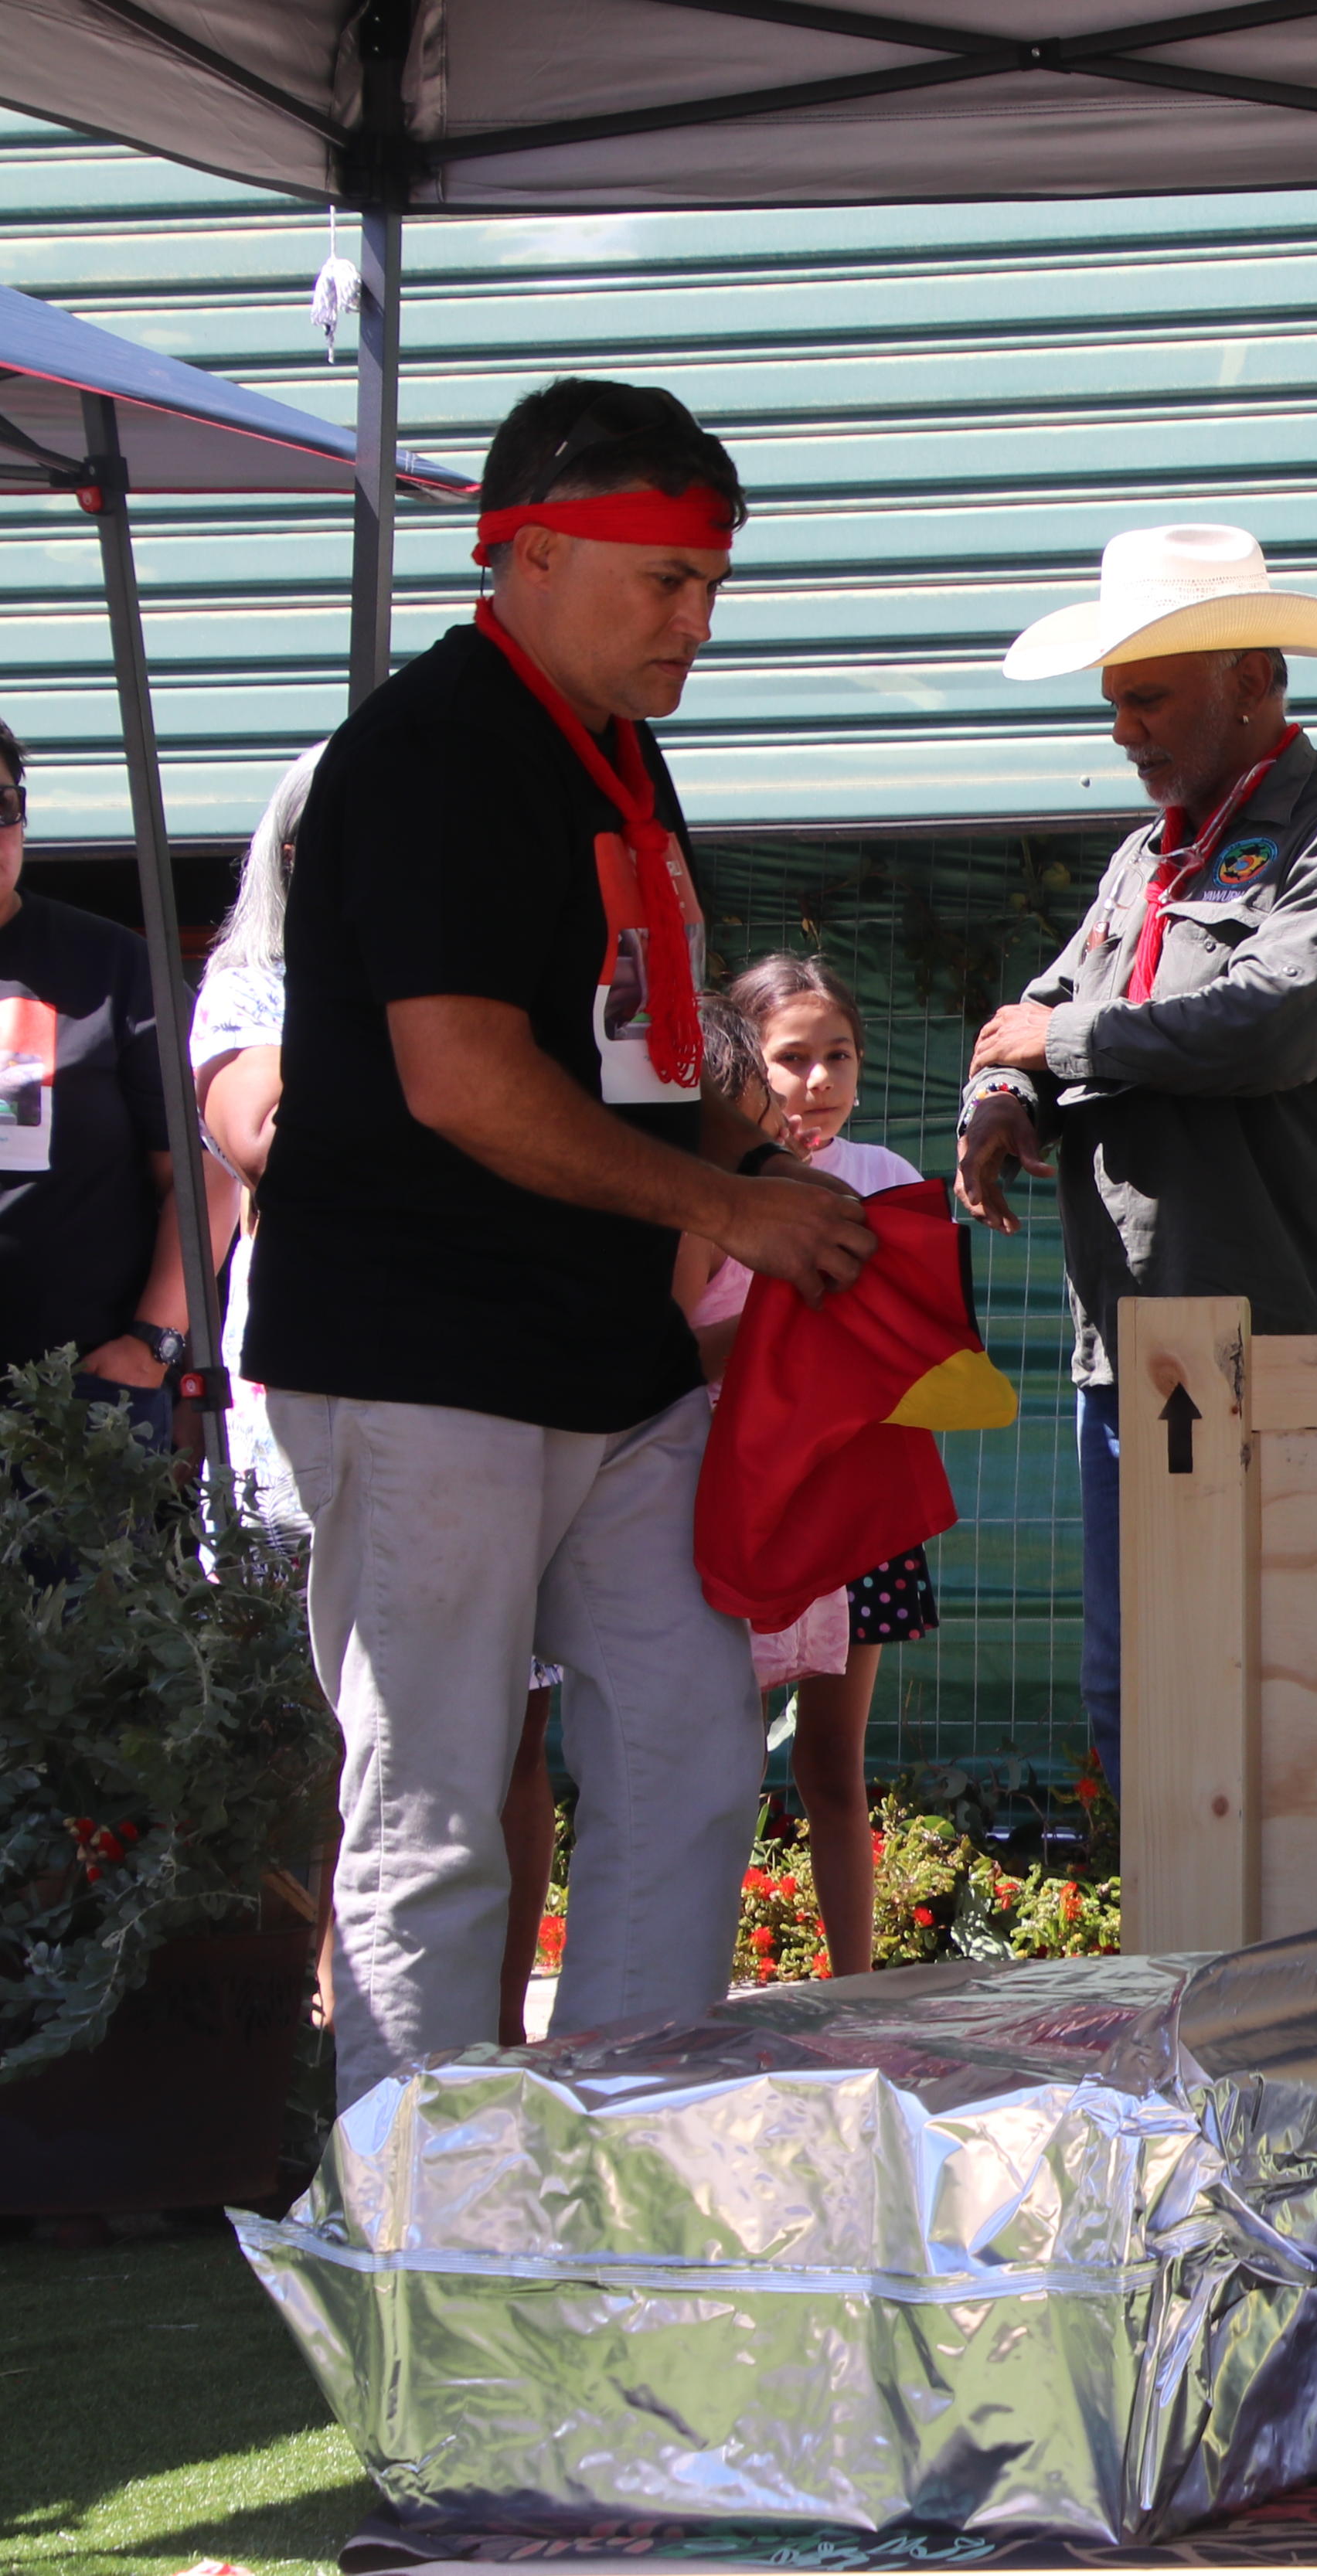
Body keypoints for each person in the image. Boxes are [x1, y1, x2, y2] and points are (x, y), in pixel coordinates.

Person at [246, 376, 883, 2106]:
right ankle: (415, 2207)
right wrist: (727, 1198)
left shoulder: (615, 744)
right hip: (421, 1352)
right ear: (523, 552)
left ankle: (625, 2152)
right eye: (663, 579)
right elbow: (462, 1079)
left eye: (711, 584)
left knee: (685, 1751)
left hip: (602, 1353)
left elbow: (630, 1038)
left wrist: (767, 1143)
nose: (696, 619)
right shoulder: (435, 748)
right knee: (438, 1798)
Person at [955, 526, 1317, 1797]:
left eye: (1148, 698)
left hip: (1277, 1348)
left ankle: (1290, 1987)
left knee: (1282, 1696)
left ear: (1249, 679)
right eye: (1115, 704)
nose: (1124, 733)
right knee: (1139, 1701)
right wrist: (998, 1089)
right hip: (1127, 1348)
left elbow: (1277, 1020)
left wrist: (1060, 1040)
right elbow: (1037, 1005)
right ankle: (1179, 1987)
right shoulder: (1150, 853)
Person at [189, 744, 573, 2048]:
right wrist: (463, 1095)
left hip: (485, 1381)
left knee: (501, 1729)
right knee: (330, 1734)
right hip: (318, 1397)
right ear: (295, 852)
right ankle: (314, 2027)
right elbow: (264, 1133)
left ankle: (496, 2031)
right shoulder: (253, 982)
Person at [716, 951, 938, 1978]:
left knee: (835, 1768)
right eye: (791, 1057)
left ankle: (856, 1993)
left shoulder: (887, 1180)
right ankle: (696, 1988)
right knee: (718, 1765)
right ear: (740, 1064)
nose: (817, 1082)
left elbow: (919, 1346)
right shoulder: (711, 1188)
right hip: (740, 1502)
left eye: (837, 1055)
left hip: (856, 1510)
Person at [0, 714, 195, 1449]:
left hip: (80, 1407)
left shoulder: (115, 969)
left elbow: (199, 1174)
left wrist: (154, 1345)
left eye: (0, 806)